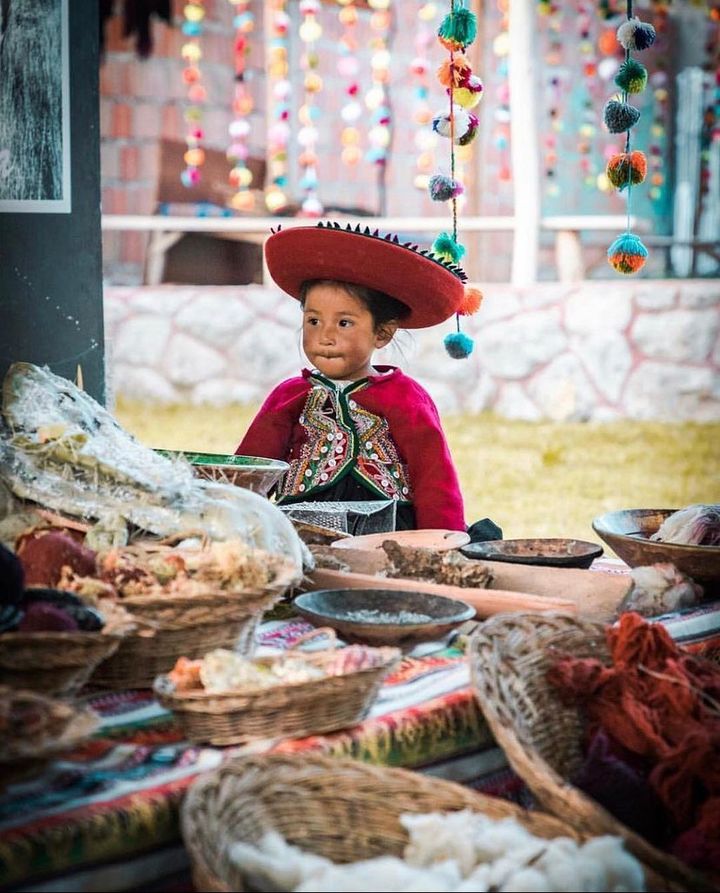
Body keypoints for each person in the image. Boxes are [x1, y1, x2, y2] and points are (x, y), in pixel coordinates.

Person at [237, 222, 492, 534]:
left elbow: (433, 476)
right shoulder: (288, 395)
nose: (325, 336)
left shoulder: (405, 397)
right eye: (313, 320)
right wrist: (234, 522)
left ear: (382, 333)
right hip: (301, 530)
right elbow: (251, 469)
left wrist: (441, 538)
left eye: (344, 323)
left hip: (389, 532)